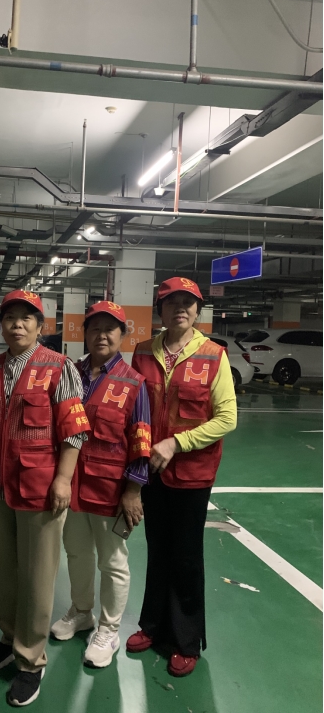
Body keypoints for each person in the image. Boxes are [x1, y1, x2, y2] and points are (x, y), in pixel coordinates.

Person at [0, 289, 90, 707]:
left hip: (39, 487)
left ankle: (31, 659)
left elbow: (74, 429)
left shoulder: (59, 367)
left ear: (40, 326)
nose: (17, 324)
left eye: (26, 318)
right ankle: (9, 638)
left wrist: (63, 480)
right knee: (2, 569)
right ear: (1, 324)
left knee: (37, 576)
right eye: (10, 318)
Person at [126, 277, 237, 677]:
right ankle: (152, 626)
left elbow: (227, 418)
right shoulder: (143, 352)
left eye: (189, 303)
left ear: (197, 311)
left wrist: (176, 443)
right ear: (161, 310)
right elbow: (133, 409)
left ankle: (186, 641)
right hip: (152, 472)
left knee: (186, 555)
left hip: (192, 473)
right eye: (173, 302)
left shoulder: (213, 355)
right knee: (158, 549)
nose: (181, 309)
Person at [51, 301, 151, 668]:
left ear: (123, 335)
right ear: (85, 333)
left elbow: (141, 438)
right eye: (95, 328)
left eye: (110, 329)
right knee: (76, 553)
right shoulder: (69, 373)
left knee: (112, 561)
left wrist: (133, 490)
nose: (102, 335)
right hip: (71, 485)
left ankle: (109, 629)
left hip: (109, 488)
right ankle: (81, 611)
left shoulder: (133, 382)